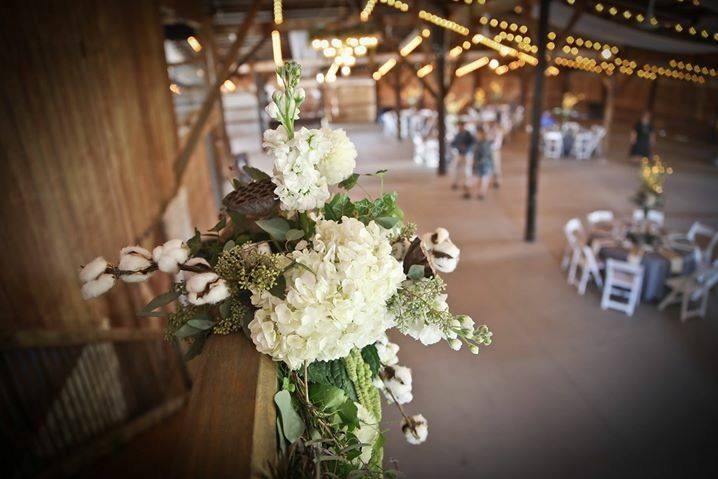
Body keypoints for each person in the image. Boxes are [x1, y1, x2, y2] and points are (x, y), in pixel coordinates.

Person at [467, 127, 494, 200]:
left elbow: (485, 155)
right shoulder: (478, 142)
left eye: (477, 133)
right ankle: (477, 192)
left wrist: (478, 162)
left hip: (484, 164)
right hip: (481, 164)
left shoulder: (484, 143)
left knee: (483, 179)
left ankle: (480, 193)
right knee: (480, 178)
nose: (475, 135)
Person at [450, 121, 475, 190]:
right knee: (457, 169)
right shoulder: (457, 134)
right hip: (459, 153)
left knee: (467, 169)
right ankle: (456, 182)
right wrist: (457, 146)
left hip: (467, 154)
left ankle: (467, 183)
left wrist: (466, 147)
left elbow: (473, 143)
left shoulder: (468, 134)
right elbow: (453, 143)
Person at [486, 121, 504, 188]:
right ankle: (492, 181)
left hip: (494, 150)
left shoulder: (498, 132)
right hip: (489, 150)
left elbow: (496, 142)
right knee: (490, 166)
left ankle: (497, 181)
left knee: (496, 166)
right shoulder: (489, 131)